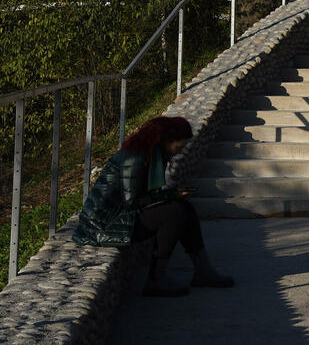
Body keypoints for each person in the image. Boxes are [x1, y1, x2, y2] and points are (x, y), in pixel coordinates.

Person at [73, 116, 233, 297]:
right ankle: (156, 279)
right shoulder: (135, 158)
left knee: (185, 208)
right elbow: (131, 202)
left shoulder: (150, 154)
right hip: (103, 225)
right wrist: (170, 195)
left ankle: (203, 270)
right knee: (175, 212)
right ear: (166, 141)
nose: (179, 153)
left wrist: (174, 195)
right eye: (178, 148)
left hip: (117, 216)